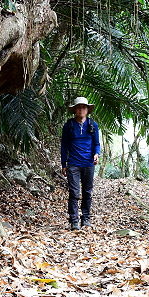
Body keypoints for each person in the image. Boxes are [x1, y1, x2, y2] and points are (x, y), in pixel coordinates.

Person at [60, 96, 101, 230]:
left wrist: (96, 154)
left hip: (88, 163)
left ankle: (86, 218)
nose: (81, 110)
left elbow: (97, 144)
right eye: (78, 107)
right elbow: (64, 146)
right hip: (73, 164)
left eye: (83, 107)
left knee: (87, 192)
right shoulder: (69, 125)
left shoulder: (92, 125)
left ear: (87, 110)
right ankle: (74, 220)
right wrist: (63, 164)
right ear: (75, 110)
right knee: (74, 192)